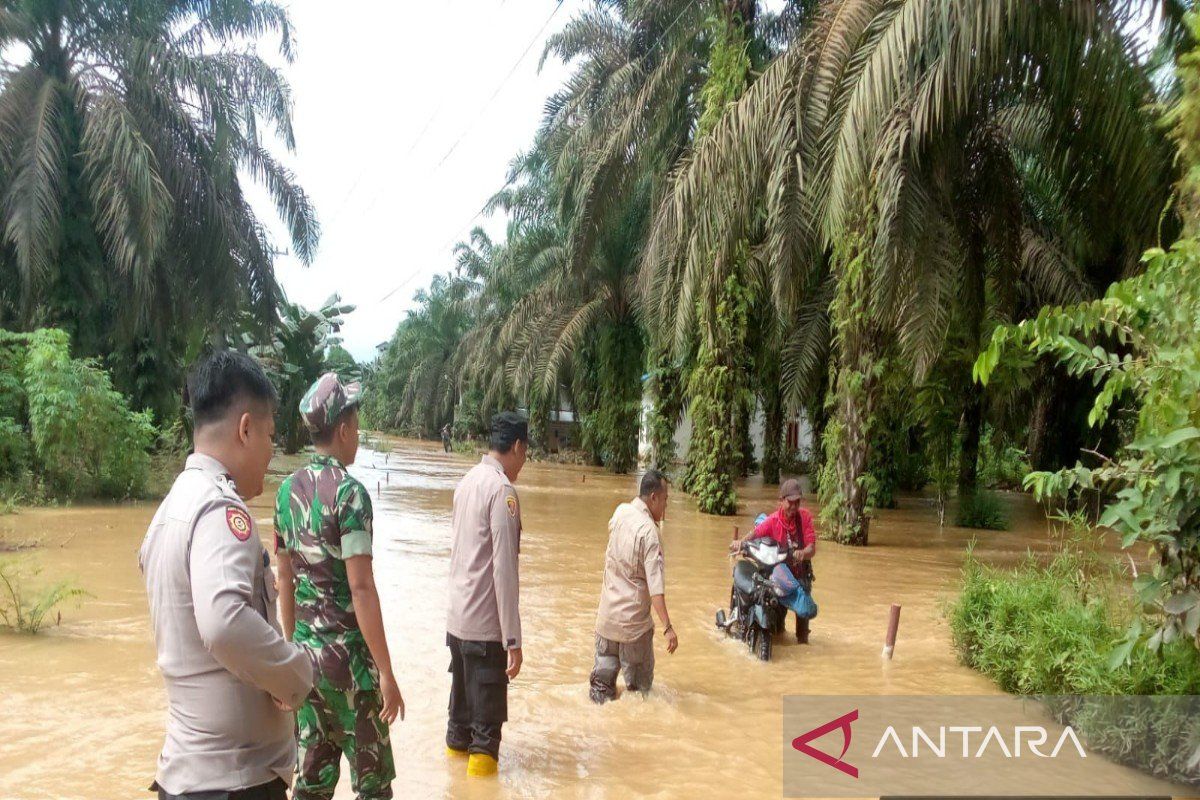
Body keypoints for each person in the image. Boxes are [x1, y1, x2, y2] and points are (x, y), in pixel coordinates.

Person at [139, 350, 313, 800]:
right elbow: (223, 622)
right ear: (245, 429)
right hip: (234, 781)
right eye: (271, 435)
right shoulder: (221, 508)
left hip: (189, 774)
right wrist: (293, 674)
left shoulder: (170, 508)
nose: (272, 451)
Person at [275, 372, 403, 800]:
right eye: (357, 423)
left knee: (310, 788)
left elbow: (284, 579)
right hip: (353, 673)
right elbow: (362, 588)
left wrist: (292, 653)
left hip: (306, 668)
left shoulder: (285, 492)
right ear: (343, 429)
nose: (359, 433)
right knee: (373, 789)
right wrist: (386, 672)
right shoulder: (350, 495)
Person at [445, 411, 527, 777]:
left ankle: (452, 786)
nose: (524, 462)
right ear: (517, 447)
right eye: (526, 454)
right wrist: (513, 638)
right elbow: (504, 571)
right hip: (485, 630)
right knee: (485, 735)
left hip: (457, 624)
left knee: (459, 725)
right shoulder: (501, 491)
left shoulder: (466, 482)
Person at [590, 469, 678, 704]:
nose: (666, 508)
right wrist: (668, 627)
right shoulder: (650, 533)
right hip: (633, 629)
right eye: (666, 500)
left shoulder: (620, 513)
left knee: (600, 692)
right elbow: (655, 589)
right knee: (640, 697)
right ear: (654, 498)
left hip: (606, 622)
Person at [729, 478, 817, 643]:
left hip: (799, 577)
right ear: (781, 500)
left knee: (803, 630)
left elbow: (812, 548)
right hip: (779, 577)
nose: (793, 506)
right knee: (778, 628)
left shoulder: (805, 518)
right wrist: (740, 543)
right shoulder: (773, 520)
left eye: (797, 502)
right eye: (790, 502)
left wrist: (803, 553)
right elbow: (755, 534)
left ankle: (802, 640)